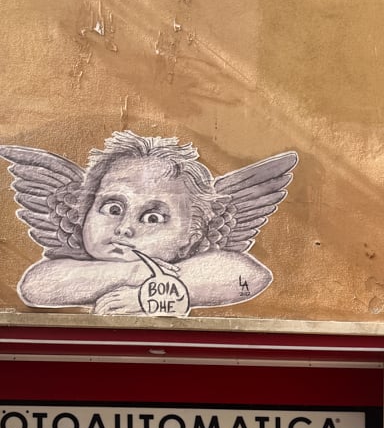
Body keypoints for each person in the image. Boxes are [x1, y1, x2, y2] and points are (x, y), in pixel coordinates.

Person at [0, 130, 297, 315]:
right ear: (85, 211)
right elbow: (35, 287)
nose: (125, 227)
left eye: (153, 217)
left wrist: (150, 296)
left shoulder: (208, 262)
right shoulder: (69, 268)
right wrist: (136, 271)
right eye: (113, 207)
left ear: (192, 235)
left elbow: (249, 278)